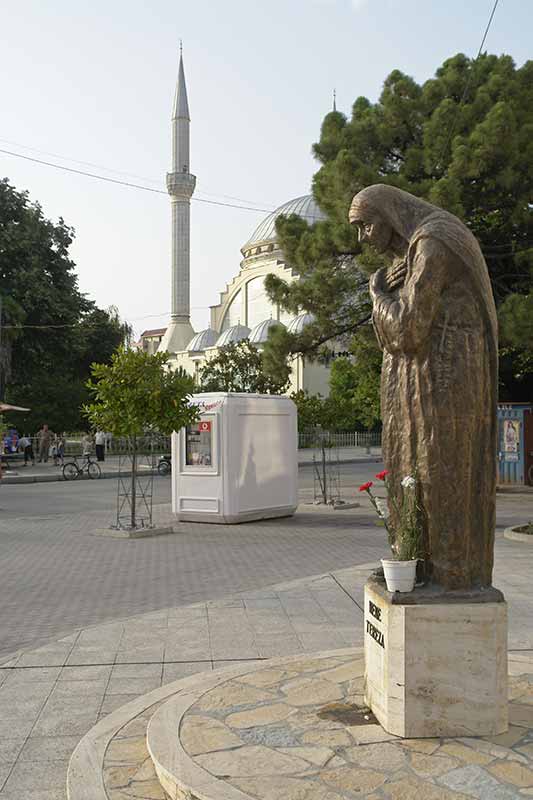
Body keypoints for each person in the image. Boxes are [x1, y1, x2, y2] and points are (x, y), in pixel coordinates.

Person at [349, 184, 498, 591]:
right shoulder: (415, 249)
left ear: (387, 213)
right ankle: (413, 561)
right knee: (410, 466)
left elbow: (408, 328)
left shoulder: (435, 243)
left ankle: (452, 572)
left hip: (446, 379)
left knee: (442, 468)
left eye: (365, 226)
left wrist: (378, 294)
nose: (363, 238)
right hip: (421, 378)